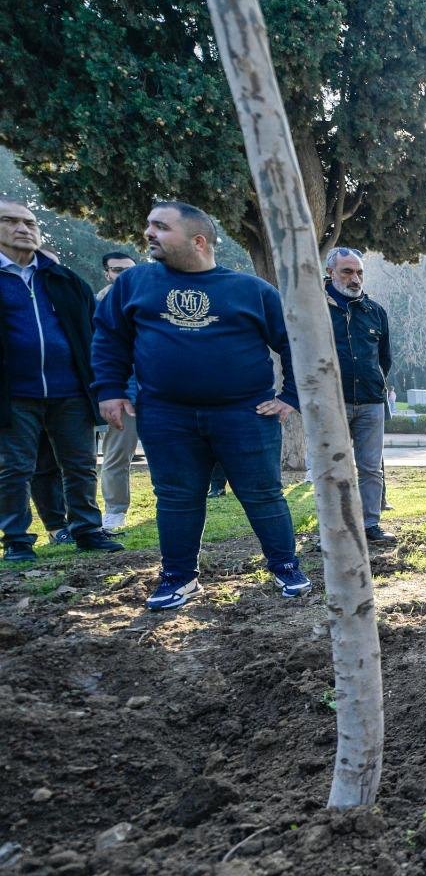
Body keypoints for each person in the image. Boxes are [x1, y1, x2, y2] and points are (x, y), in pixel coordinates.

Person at [92, 200, 311, 609]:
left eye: (161, 227)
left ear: (198, 241)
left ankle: (285, 566)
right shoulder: (134, 284)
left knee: (263, 494)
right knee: (176, 497)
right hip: (165, 414)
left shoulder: (251, 291)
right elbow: (109, 338)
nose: (149, 233)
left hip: (244, 413)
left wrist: (290, 398)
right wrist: (110, 389)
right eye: (149, 225)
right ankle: (178, 577)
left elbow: (294, 344)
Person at [0, 197, 122, 563]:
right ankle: (18, 541)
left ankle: (87, 529)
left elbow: (93, 336)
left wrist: (100, 385)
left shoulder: (64, 280)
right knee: (15, 467)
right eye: (11, 221)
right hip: (13, 394)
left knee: (80, 464)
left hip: (69, 389)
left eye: (30, 222)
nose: (24, 229)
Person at [323, 247, 394, 543]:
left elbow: (385, 358)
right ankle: (333, 528)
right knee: (332, 470)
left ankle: (369, 525)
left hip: (370, 401)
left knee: (370, 467)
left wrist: (375, 383)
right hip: (330, 403)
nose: (355, 279)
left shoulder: (375, 311)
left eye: (360, 272)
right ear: (330, 273)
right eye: (347, 272)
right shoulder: (316, 310)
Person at [97, 252, 140, 531]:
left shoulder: (147, 301)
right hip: (122, 395)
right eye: (117, 270)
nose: (123, 275)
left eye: (129, 270)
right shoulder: (99, 305)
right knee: (116, 456)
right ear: (107, 273)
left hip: (157, 392)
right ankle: (115, 510)